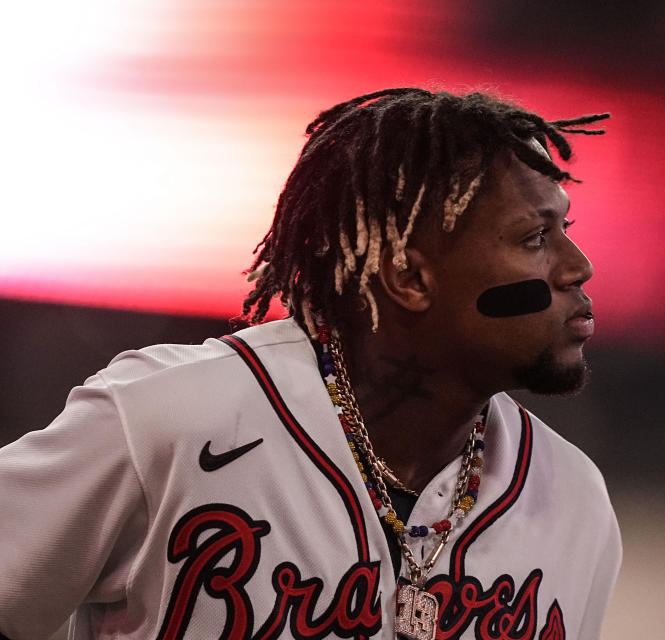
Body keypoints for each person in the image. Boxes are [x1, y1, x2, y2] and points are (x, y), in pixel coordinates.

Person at [0, 88, 621, 640]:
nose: (578, 267)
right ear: (409, 277)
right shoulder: (168, 421)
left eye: (566, 229)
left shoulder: (572, 498)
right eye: (536, 238)